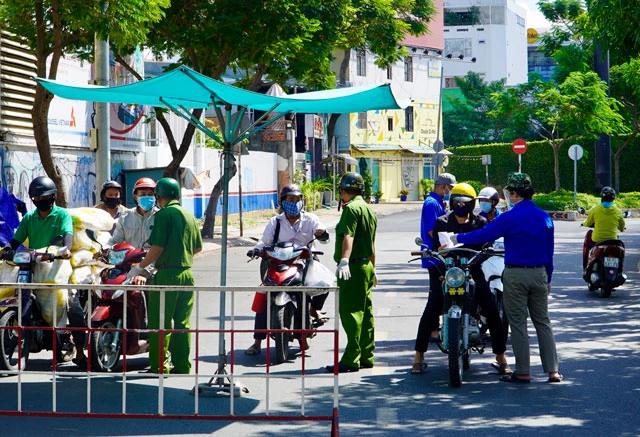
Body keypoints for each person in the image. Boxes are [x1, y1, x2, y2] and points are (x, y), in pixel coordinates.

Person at [452, 172, 562, 383]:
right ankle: (553, 371)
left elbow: (485, 234)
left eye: (510, 193)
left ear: (514, 194)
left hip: (516, 273)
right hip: (540, 273)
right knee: (543, 322)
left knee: (518, 323)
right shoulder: (544, 217)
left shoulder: (510, 217)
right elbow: (550, 251)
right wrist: (548, 278)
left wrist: (458, 237)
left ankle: (523, 371)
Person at [412, 183, 510, 375]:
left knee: (491, 309)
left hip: (473, 270)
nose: (461, 206)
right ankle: (418, 357)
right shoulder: (442, 221)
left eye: (465, 203)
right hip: (447, 273)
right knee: (431, 309)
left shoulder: (480, 222)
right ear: (451, 202)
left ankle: (501, 357)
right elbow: (434, 250)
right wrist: (438, 257)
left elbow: (486, 247)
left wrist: (485, 253)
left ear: (472, 204)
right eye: (457, 202)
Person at [3, 176, 88, 368]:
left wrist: (64, 250)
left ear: (53, 197)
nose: (41, 201)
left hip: (57, 265)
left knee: (70, 302)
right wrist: (6, 249)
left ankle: (81, 350)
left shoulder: (62, 215)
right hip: (33, 265)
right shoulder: (29, 218)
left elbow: (67, 237)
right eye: (37, 199)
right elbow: (16, 241)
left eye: (45, 197)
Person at [245, 183, 329, 356]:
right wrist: (256, 250)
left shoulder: (310, 219)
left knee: (323, 285)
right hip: (276, 263)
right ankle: (257, 343)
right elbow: (264, 242)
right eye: (291, 199)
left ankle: (312, 312)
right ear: (283, 202)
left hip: (304, 263)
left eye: (298, 199)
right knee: (264, 294)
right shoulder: (275, 222)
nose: (295, 202)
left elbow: (323, 235)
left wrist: (321, 233)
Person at [129, 177, 202, 374]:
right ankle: (182, 365)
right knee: (182, 323)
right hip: (187, 274)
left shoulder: (163, 215)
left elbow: (157, 248)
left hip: (167, 274)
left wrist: (140, 267)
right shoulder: (189, 216)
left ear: (158, 195)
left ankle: (159, 366)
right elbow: (197, 248)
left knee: (159, 322)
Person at [325, 172, 377, 373]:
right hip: (366, 266)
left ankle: (350, 359)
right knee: (366, 314)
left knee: (351, 313)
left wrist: (344, 260)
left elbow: (348, 236)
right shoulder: (368, 209)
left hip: (353, 268)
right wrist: (374, 269)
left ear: (343, 191)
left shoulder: (351, 209)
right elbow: (372, 243)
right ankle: (366, 355)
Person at [412, 172, 456, 375]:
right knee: (435, 300)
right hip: (436, 258)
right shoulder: (432, 203)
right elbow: (433, 231)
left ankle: (435, 330)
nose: (451, 193)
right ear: (443, 186)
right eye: (450, 189)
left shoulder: (439, 202)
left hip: (444, 257)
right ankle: (419, 353)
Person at [581, 186, 626, 272]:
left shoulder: (595, 209)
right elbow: (622, 227)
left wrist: (584, 223)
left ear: (602, 197)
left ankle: (586, 269)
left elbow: (588, 222)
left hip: (597, 239)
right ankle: (620, 270)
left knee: (589, 249)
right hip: (613, 240)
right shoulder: (617, 211)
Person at [109, 177, 159, 249]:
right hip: (131, 258)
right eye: (143, 194)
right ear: (136, 197)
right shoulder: (125, 217)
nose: (147, 197)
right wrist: (106, 249)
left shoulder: (160, 216)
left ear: (155, 196)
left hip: (153, 259)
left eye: (150, 194)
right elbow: (116, 241)